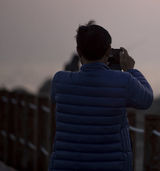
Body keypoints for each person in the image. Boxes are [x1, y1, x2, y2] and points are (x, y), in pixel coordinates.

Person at [49, 21, 153, 171]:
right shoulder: (123, 81)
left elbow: (55, 97)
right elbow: (147, 99)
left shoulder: (59, 81)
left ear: (78, 50)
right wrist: (131, 70)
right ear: (108, 50)